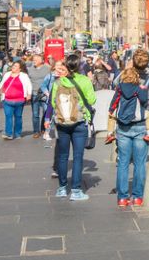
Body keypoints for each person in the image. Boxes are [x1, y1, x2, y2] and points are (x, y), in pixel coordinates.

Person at [51, 56, 97, 201]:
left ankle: (62, 188)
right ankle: (76, 190)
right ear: (79, 66)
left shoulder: (58, 82)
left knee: (63, 156)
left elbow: (53, 102)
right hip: (79, 122)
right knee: (78, 157)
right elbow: (92, 100)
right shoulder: (84, 80)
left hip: (62, 123)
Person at [111, 62, 149, 207]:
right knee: (140, 163)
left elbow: (113, 104)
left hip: (123, 127)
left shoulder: (120, 87)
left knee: (123, 163)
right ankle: (137, 197)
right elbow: (144, 101)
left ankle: (122, 198)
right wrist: (142, 89)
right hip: (139, 127)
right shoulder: (139, 87)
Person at [0, 61, 32, 140]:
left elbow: (29, 85)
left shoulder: (24, 76)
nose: (13, 67)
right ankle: (8, 133)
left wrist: (29, 94)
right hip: (7, 100)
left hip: (19, 100)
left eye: (15, 66)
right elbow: (2, 85)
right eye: (13, 66)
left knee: (18, 117)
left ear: (20, 69)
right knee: (8, 116)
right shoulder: (7, 74)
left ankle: (17, 133)